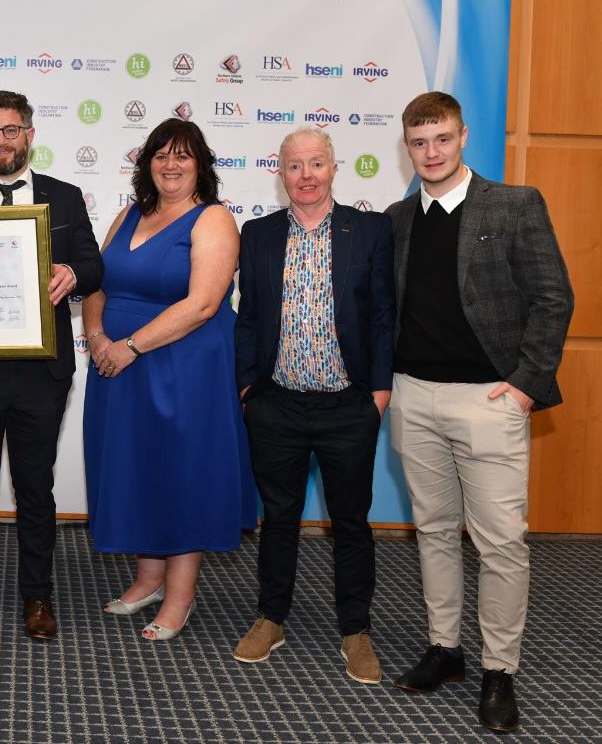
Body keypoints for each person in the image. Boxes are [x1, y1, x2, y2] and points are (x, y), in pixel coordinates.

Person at [387, 92, 573, 732]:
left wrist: (525, 385)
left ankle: (500, 670)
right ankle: (447, 649)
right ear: (406, 146)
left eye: (441, 139)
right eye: (419, 142)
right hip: (414, 396)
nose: (431, 152)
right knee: (434, 531)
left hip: (491, 399)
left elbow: (554, 299)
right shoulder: (397, 218)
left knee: (500, 544)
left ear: (463, 136)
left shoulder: (515, 205)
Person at [0, 90, 103, 641]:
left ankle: (38, 597)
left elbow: (94, 266)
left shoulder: (66, 196)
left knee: (36, 490)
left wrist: (73, 275)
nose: (0, 141)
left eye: (10, 130)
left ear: (30, 134)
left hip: (40, 373)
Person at [82, 118, 255, 642]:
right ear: (147, 163)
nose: (171, 164)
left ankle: (180, 595)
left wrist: (130, 347)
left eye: (183, 155)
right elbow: (95, 280)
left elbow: (203, 303)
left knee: (182, 473)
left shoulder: (214, 220)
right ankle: (148, 579)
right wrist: (94, 336)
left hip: (184, 368)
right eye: (161, 155)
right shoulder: (129, 214)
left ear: (200, 164)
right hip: (117, 366)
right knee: (140, 469)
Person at [233, 126, 394, 684]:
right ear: (280, 173)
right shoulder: (256, 234)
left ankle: (356, 630)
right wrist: (249, 388)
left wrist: (377, 394)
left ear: (333, 168)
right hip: (275, 404)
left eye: (316, 164)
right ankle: (271, 617)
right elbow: (248, 315)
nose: (306, 175)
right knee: (278, 518)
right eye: (295, 165)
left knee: (350, 521)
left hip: (348, 405)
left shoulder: (369, 231)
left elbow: (380, 316)